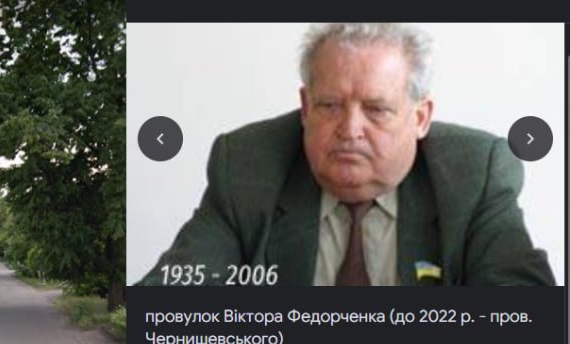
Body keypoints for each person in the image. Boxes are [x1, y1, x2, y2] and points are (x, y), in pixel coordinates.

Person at [142, 23, 554, 286]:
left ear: (420, 118)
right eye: (329, 105)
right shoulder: (247, 167)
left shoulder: (476, 173)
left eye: (376, 109)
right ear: (305, 108)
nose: (350, 129)